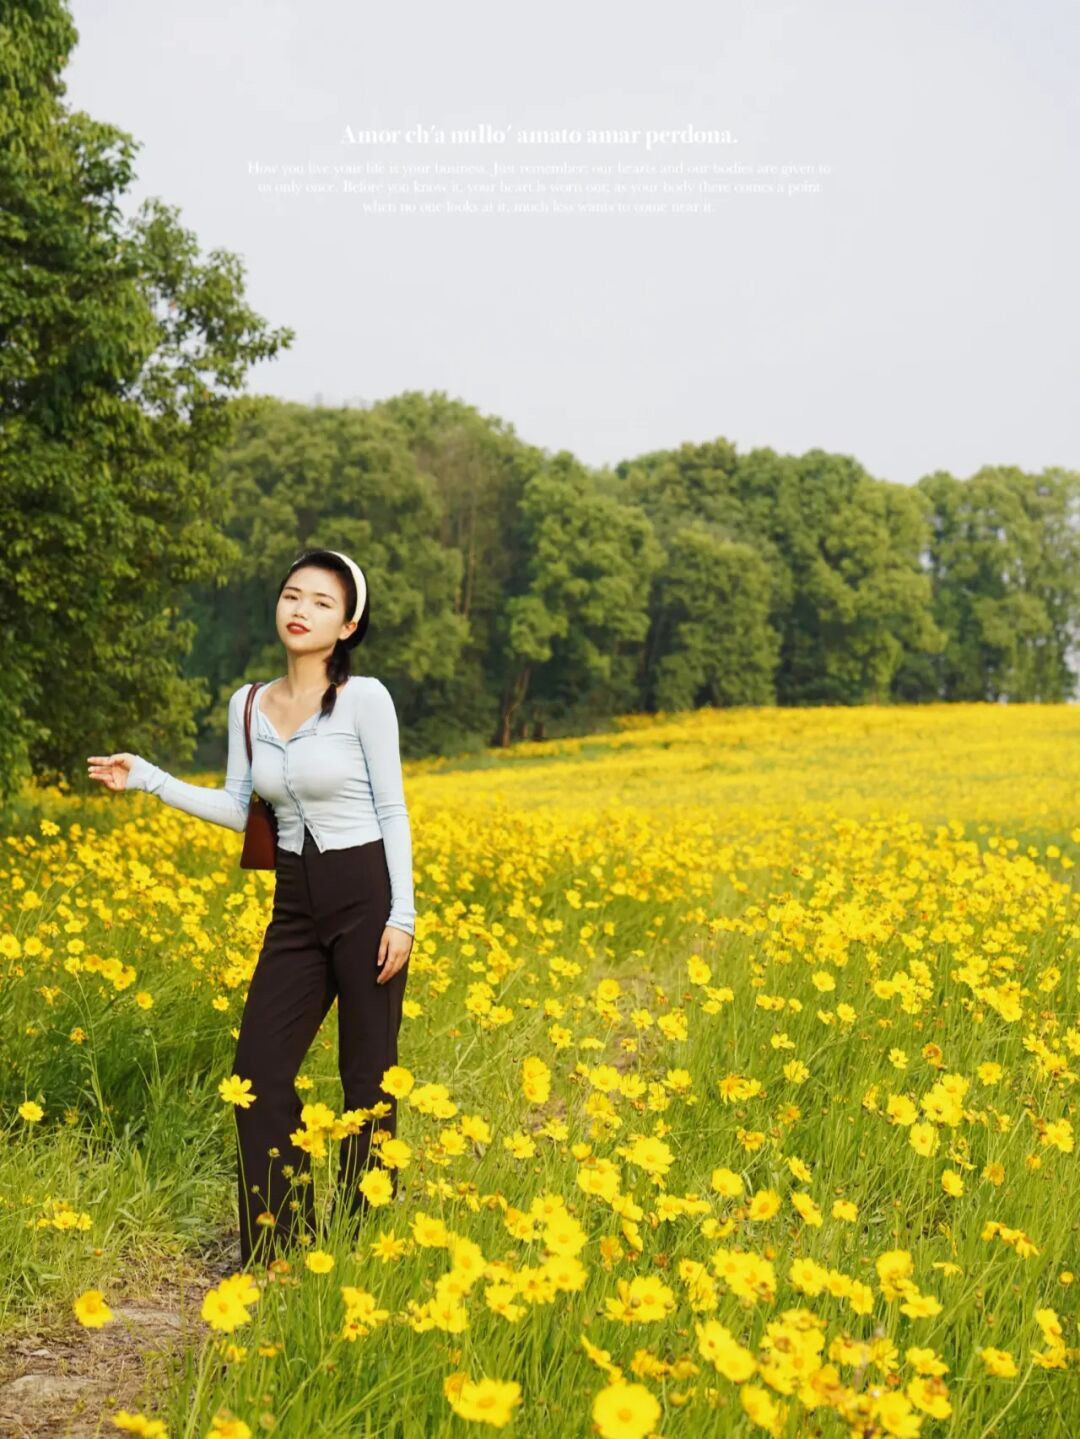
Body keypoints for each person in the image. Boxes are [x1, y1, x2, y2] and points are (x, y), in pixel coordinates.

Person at [86, 548, 415, 1266]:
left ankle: (362, 1246)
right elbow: (239, 808)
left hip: (367, 896)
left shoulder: (366, 699)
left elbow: (393, 808)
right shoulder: (248, 703)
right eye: (292, 594)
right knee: (256, 1075)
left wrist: (404, 917)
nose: (301, 609)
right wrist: (147, 777)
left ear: (350, 624)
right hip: (295, 902)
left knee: (368, 1078)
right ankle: (281, 1247)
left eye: (322, 602)